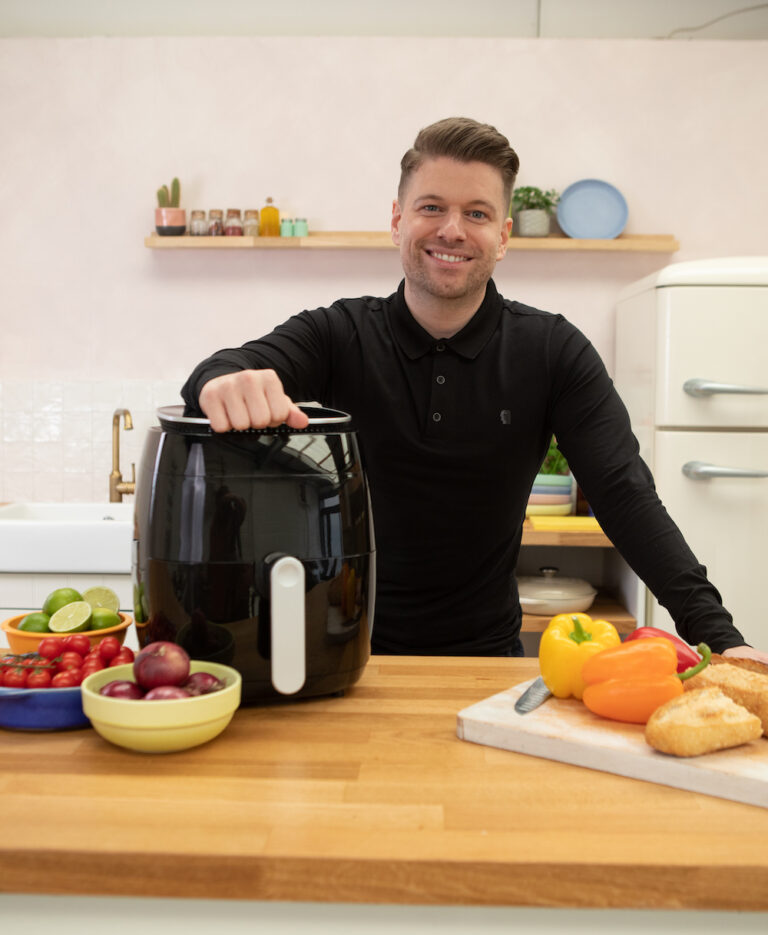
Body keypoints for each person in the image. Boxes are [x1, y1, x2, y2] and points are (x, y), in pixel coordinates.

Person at [182, 116, 767, 665]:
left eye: (478, 213)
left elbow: (625, 495)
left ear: (504, 235)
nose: (452, 230)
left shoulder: (553, 350)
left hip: (487, 661)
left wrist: (721, 638)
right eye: (431, 207)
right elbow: (220, 371)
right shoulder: (337, 333)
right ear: (396, 220)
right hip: (343, 653)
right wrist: (224, 381)